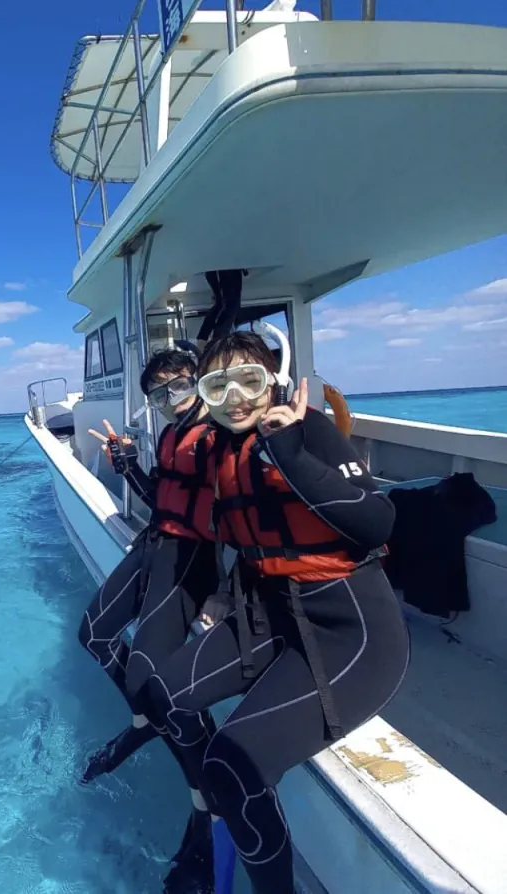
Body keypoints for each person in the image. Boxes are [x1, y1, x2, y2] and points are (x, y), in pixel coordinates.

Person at [139, 329, 411, 894]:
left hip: (348, 631)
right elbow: (243, 534)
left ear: (274, 381)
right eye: (219, 385)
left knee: (232, 765)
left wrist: (289, 453)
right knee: (160, 694)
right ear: (205, 395)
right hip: (266, 613)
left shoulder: (305, 430)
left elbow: (377, 524)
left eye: (250, 379)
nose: (236, 396)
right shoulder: (218, 446)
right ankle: (204, 816)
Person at [80, 345, 220, 894]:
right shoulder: (170, 433)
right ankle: (146, 724)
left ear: (198, 379)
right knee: (92, 633)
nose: (169, 397)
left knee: (152, 682)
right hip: (154, 544)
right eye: (158, 393)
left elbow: (235, 520)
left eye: (179, 384)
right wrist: (128, 465)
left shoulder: (215, 438)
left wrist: (226, 596)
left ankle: (203, 804)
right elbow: (159, 502)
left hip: (191, 560)